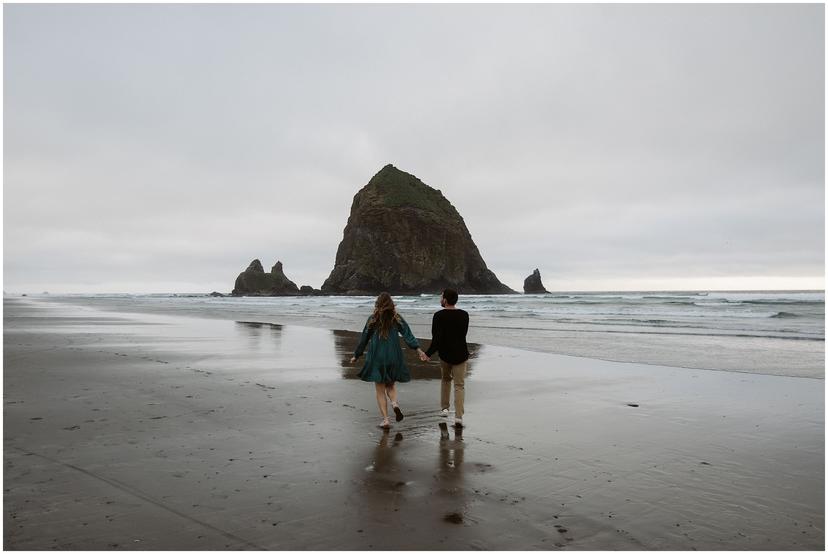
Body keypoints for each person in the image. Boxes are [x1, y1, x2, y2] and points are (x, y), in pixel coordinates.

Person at [351, 292, 426, 429]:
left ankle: (386, 420)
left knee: (380, 390)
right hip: (393, 356)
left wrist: (357, 355)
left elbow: (364, 339)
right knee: (390, 385)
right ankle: (395, 404)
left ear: (377, 304)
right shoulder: (397, 318)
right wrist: (418, 349)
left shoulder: (372, 319)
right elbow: (408, 335)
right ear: (391, 304)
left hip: (377, 357)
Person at [419, 288, 469, 428]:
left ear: (445, 300)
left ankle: (445, 408)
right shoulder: (465, 315)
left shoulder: (438, 316)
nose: (440, 299)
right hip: (461, 354)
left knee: (446, 380)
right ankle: (458, 417)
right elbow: (462, 335)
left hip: (445, 355)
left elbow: (437, 339)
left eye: (441, 297)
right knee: (459, 385)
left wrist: (427, 354)